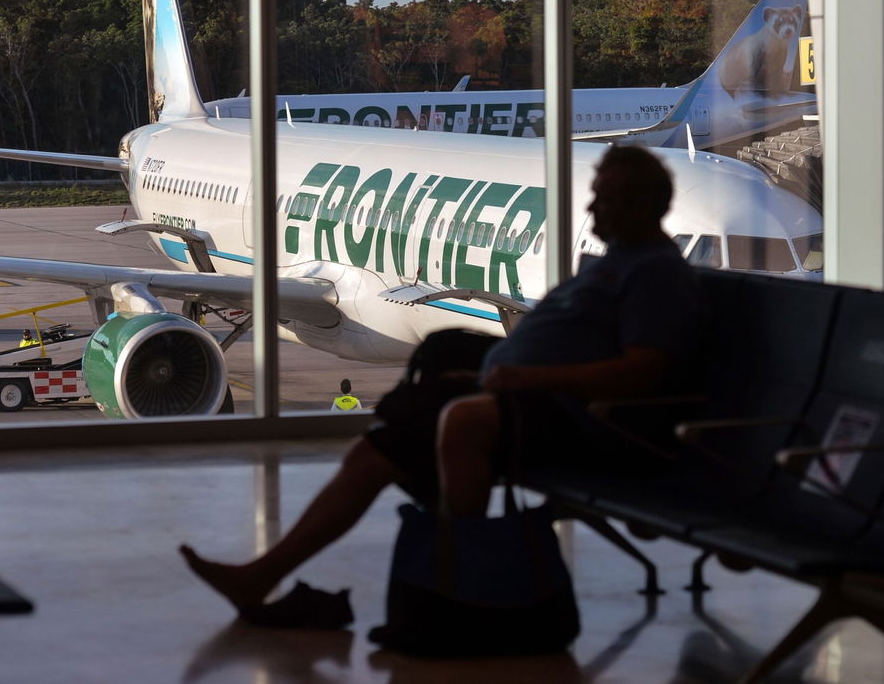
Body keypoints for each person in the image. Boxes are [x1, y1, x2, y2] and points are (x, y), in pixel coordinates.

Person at [179, 145, 703, 616]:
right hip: (531, 396)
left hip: (573, 417)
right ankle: (271, 574)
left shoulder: (654, 274)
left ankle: (458, 583)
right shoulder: (621, 262)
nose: (592, 210)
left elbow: (642, 371)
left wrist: (524, 376)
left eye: (604, 200)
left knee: (454, 420)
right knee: (385, 437)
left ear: (641, 207)